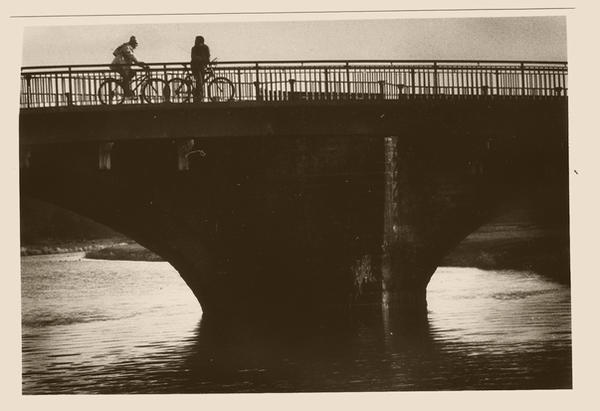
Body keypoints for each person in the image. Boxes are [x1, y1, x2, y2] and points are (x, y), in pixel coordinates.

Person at [190, 36, 211, 102]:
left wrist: (206, 60)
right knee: (199, 80)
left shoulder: (204, 47)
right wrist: (200, 59)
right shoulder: (195, 48)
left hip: (202, 66)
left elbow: (208, 56)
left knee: (200, 81)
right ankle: (198, 95)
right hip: (195, 66)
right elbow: (193, 57)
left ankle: (198, 95)